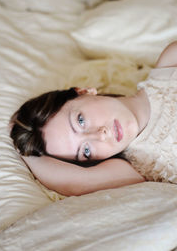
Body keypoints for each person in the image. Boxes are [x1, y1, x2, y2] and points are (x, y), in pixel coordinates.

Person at [10, 41, 177, 196]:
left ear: (83, 91)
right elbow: (75, 182)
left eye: (81, 121)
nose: (100, 135)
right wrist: (23, 147)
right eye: (86, 151)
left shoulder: (170, 63)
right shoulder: (136, 167)